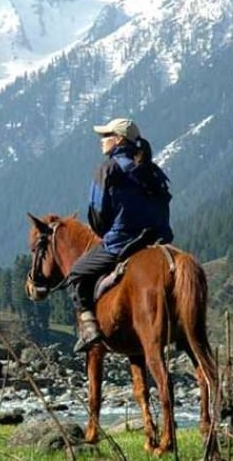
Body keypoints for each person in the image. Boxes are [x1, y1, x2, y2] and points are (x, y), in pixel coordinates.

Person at [66, 118, 173, 353]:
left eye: (105, 136)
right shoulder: (154, 171)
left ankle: (90, 328)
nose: (101, 141)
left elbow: (97, 212)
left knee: (76, 274)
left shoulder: (108, 168)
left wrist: (105, 233)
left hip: (122, 242)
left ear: (119, 140)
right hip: (158, 240)